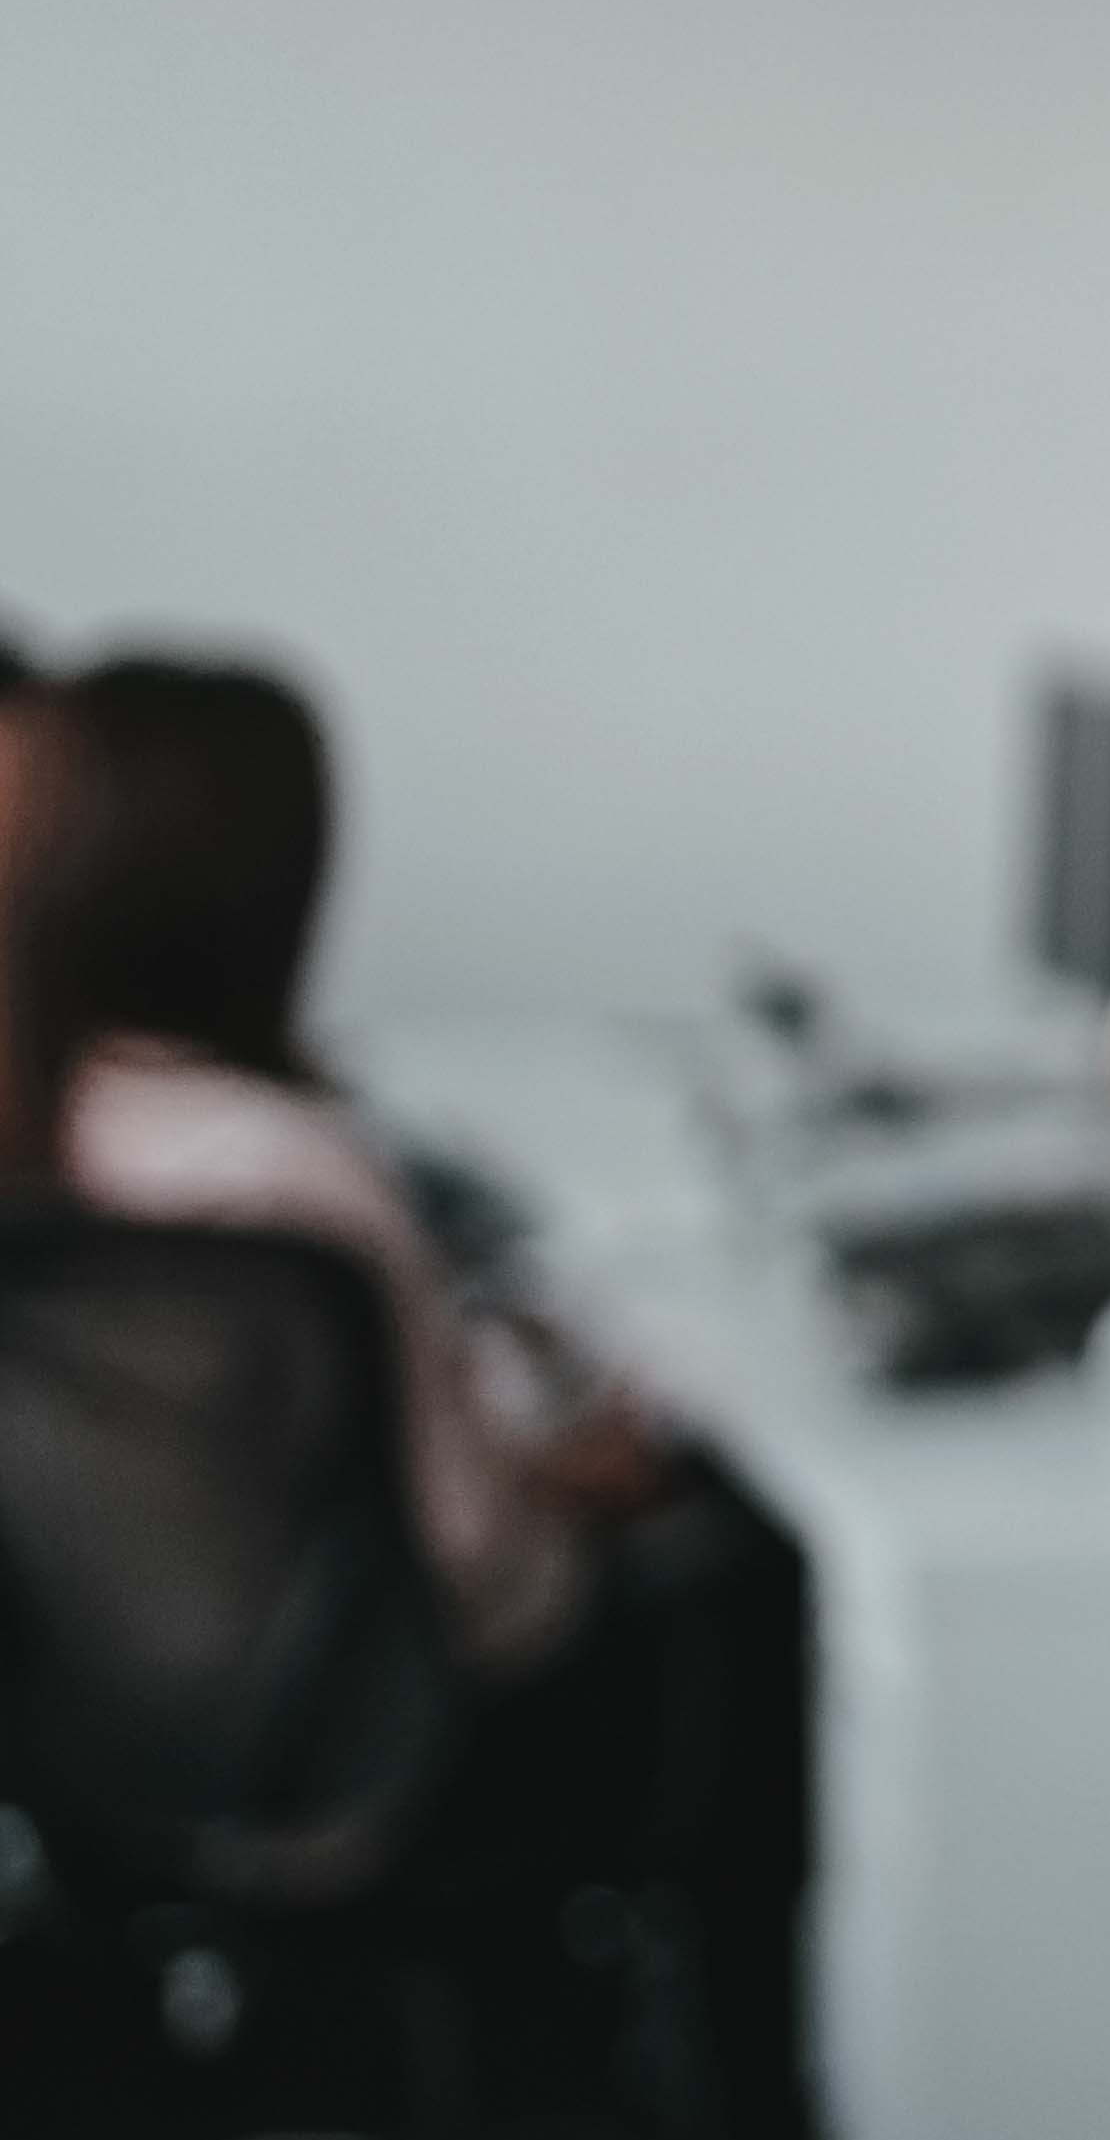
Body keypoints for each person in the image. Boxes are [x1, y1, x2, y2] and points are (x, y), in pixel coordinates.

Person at [3, 657, 656, 1673]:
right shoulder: (281, 1161)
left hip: (149, 1719)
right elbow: (465, 1550)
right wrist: (568, 1479)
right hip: (423, 1720)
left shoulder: (69, 1116)